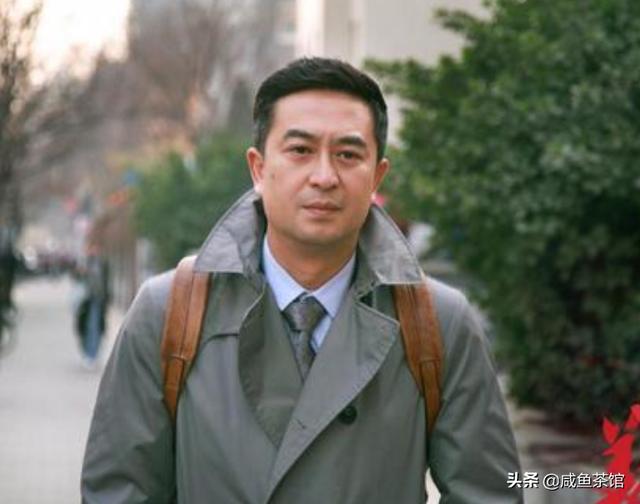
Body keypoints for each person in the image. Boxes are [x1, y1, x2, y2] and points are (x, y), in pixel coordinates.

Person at [82, 57, 523, 503]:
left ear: (377, 175)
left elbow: (489, 493)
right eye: (300, 150)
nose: (324, 177)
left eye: (348, 155)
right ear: (258, 168)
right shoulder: (168, 313)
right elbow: (118, 492)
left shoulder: (438, 323)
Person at [74, 243, 111, 368]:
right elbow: (76, 278)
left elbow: (105, 283)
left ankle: (93, 354)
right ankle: (89, 353)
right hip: (86, 301)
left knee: (95, 327)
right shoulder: (85, 263)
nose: (93, 250)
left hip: (98, 300)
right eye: (91, 248)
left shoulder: (101, 263)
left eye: (95, 248)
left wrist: (106, 299)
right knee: (87, 327)